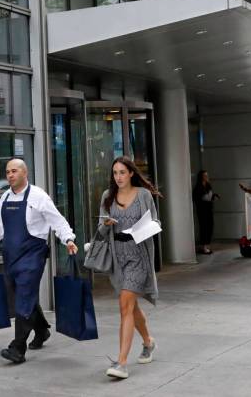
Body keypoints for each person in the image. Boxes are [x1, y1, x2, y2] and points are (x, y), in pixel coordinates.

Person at [0, 158, 78, 364]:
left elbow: (57, 220)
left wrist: (68, 239)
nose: (10, 175)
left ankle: (17, 348)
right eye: (7, 172)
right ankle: (41, 330)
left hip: (33, 255)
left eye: (13, 171)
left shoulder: (39, 197)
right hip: (11, 256)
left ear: (24, 173)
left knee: (24, 296)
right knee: (23, 296)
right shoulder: (4, 198)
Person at [97, 156, 161, 380]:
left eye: (122, 172)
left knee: (125, 305)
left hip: (138, 256)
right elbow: (100, 230)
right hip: (118, 258)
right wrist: (106, 225)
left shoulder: (143, 195)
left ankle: (122, 363)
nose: (118, 177)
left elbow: (156, 222)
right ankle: (148, 342)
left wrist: (142, 229)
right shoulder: (108, 196)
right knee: (131, 307)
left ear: (131, 173)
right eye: (115, 173)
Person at [192, 170, 220, 255]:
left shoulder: (208, 185)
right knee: (203, 227)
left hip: (208, 209)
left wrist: (214, 196)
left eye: (207, 175)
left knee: (210, 226)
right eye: (204, 175)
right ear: (201, 177)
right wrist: (206, 198)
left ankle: (207, 245)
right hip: (202, 210)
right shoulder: (198, 187)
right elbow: (197, 198)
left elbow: (210, 196)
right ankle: (204, 246)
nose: (206, 177)